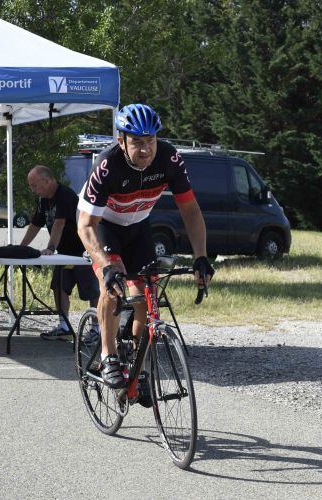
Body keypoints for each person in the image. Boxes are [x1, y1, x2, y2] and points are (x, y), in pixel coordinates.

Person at [77, 103, 214, 389]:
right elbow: (86, 226)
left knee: (147, 298)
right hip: (103, 227)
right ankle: (108, 356)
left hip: (138, 226)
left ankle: (136, 370)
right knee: (112, 286)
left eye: (150, 140)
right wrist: (106, 266)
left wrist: (201, 257)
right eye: (137, 142)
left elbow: (190, 211)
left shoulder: (168, 158)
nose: (145, 149)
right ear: (121, 141)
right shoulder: (107, 165)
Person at [21, 165, 99, 340]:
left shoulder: (64, 195)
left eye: (34, 185)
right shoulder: (44, 199)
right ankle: (64, 326)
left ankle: (96, 329)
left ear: (47, 181)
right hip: (64, 254)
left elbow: (59, 223)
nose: (33, 189)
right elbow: (35, 224)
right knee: (59, 287)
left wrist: (50, 248)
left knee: (92, 291)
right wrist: (21, 247)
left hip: (82, 252)